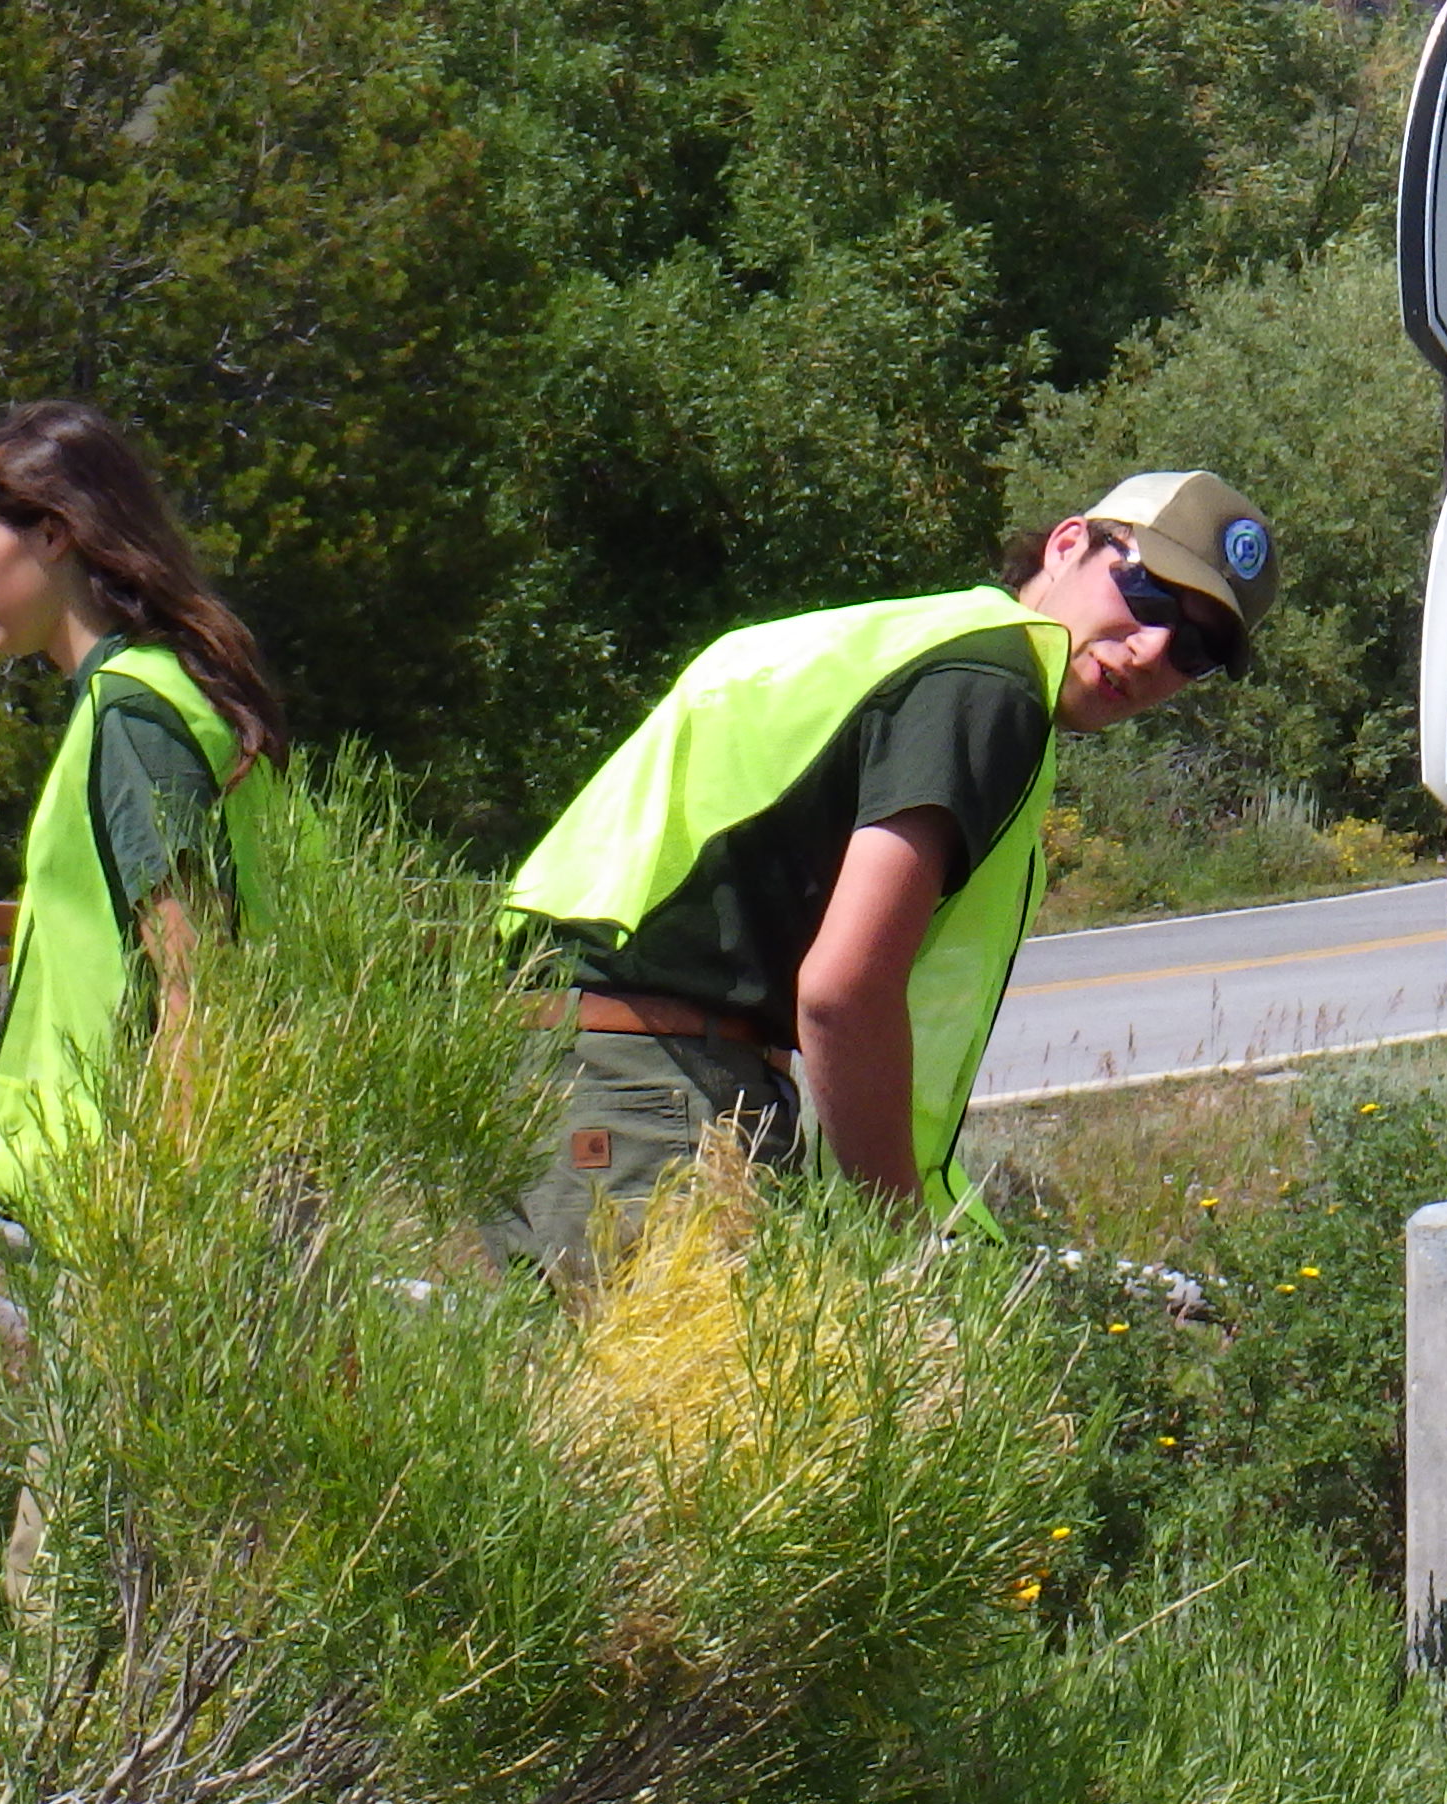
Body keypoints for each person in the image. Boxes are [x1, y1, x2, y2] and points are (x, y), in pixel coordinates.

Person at [490, 471, 1272, 1264]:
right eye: (1147, 595)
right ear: (1069, 544)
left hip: (529, 1073)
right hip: (653, 1096)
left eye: (1199, 650)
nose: (1153, 650)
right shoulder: (991, 682)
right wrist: (896, 1243)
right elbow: (843, 992)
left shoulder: (898, 640)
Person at [0, 402, 289, 1212]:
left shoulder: (134, 716)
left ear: (54, 534)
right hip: (208, 1165)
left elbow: (198, 983)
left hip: (155, 1192)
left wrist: (166, 1215)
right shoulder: (175, 686)